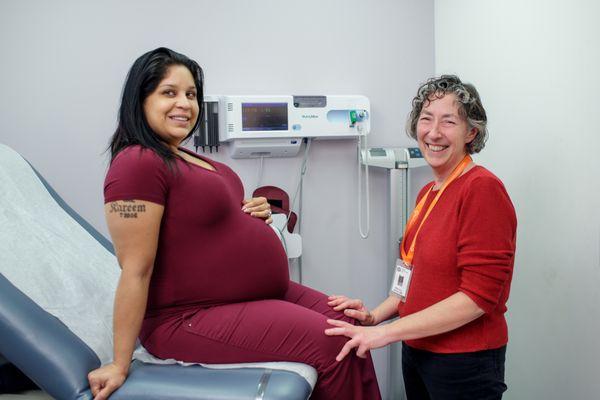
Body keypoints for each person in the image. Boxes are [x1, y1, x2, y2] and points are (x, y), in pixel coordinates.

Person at [86, 47, 381, 400]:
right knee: (336, 343)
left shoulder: (183, 156)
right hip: (186, 317)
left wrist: (246, 212)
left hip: (254, 294)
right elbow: (135, 268)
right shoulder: (136, 162)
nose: (184, 104)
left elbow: (198, 223)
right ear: (141, 98)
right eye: (169, 92)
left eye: (191, 94)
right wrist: (119, 364)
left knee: (352, 328)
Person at [326, 75, 516, 399]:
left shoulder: (481, 189)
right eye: (426, 119)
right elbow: (411, 279)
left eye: (448, 121)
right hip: (418, 354)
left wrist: (386, 335)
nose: (434, 132)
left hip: (463, 364)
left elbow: (477, 299)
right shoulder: (428, 193)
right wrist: (374, 316)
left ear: (472, 132)